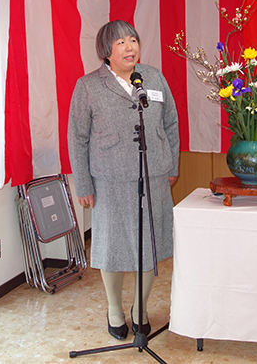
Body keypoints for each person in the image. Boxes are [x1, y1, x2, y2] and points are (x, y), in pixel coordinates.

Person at [68, 20, 179, 340]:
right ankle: (115, 309)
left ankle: (140, 309)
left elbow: (170, 121)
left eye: (133, 40)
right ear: (106, 51)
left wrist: (171, 163)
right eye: (121, 43)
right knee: (112, 246)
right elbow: (77, 138)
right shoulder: (88, 86)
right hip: (110, 180)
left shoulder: (153, 77)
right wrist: (84, 184)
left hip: (153, 175)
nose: (130, 47)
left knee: (150, 246)